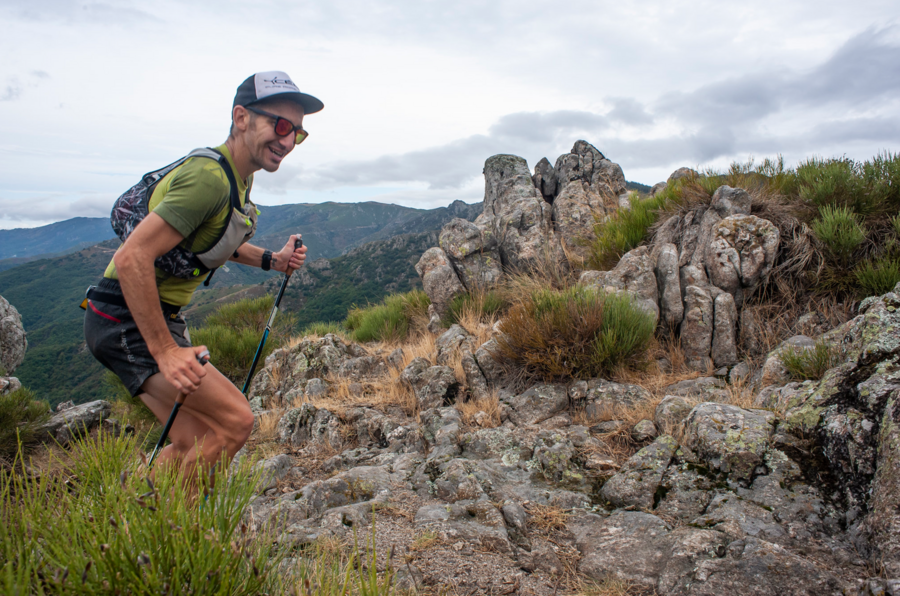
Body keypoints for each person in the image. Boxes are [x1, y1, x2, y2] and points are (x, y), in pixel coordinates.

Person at [84, 71, 322, 481]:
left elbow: (208, 242)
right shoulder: (208, 178)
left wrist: (273, 260)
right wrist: (165, 351)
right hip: (127, 318)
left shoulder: (237, 177)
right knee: (235, 421)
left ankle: (134, 524)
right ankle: (181, 540)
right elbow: (132, 257)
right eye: (280, 125)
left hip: (133, 316)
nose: (287, 140)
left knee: (195, 440)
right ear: (241, 117)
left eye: (297, 133)